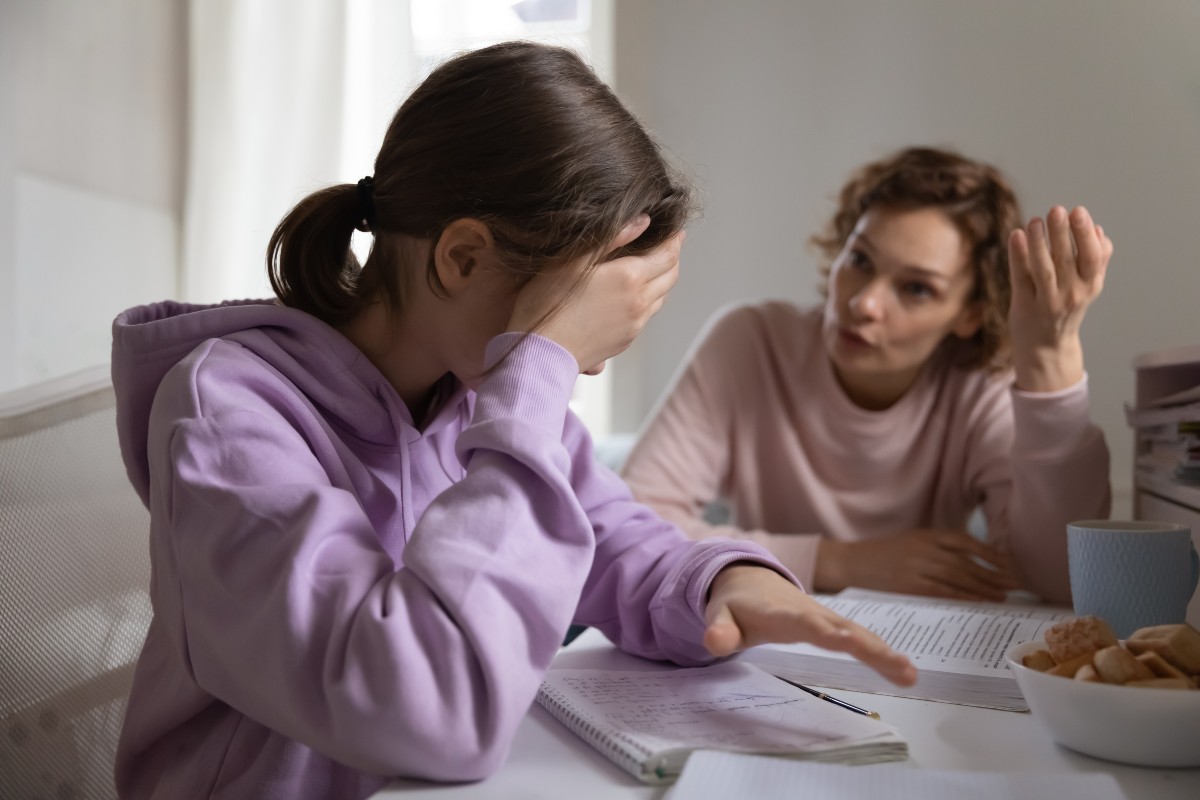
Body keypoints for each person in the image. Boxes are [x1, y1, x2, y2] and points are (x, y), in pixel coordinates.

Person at [109, 43, 914, 800]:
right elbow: (427, 707)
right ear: (461, 258)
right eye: (574, 333)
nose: (585, 368)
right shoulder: (229, 417)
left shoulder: (478, 394)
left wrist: (724, 582)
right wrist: (538, 370)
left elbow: (614, 539)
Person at [621, 146, 1113, 607]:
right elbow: (630, 526)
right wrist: (843, 562)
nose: (864, 303)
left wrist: (1050, 360)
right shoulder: (751, 342)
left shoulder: (981, 386)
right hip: (762, 638)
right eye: (859, 260)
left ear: (970, 314)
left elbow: (1060, 581)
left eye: (917, 288)